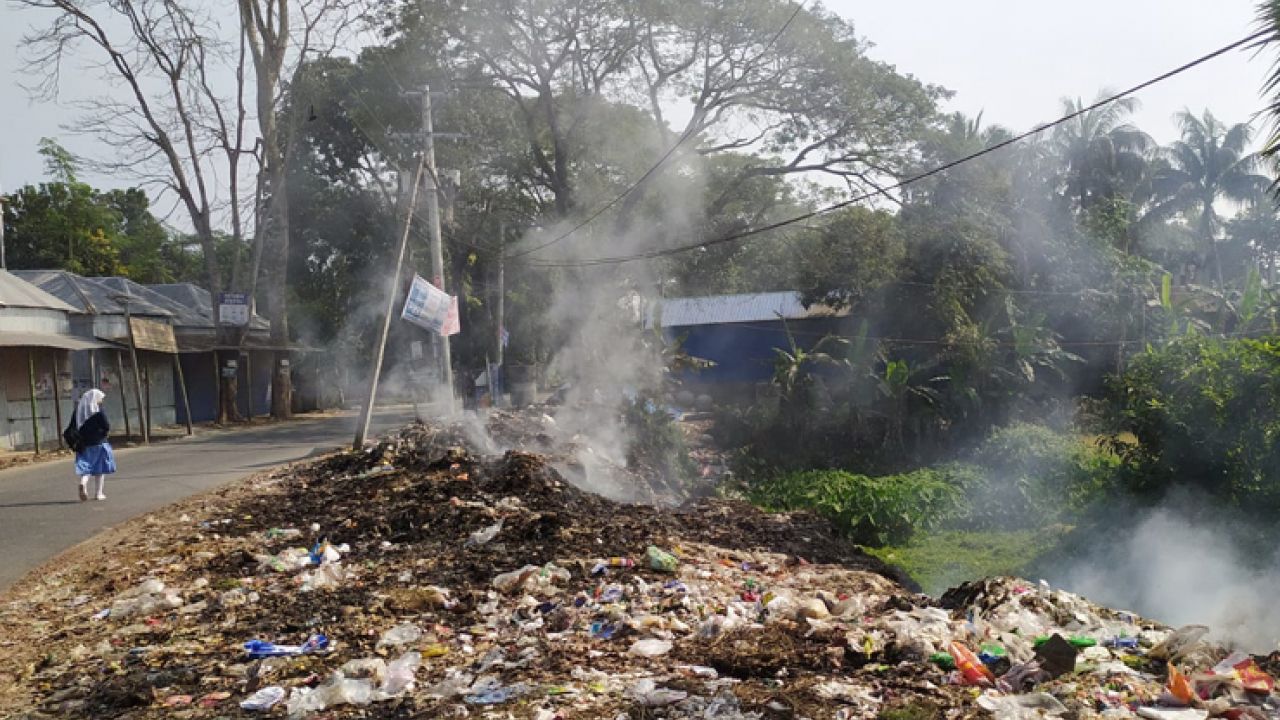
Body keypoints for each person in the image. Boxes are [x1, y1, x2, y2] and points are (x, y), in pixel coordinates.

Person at [70, 389, 116, 501]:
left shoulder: (79, 413)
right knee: (100, 469)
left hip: (85, 444)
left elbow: (75, 428)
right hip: (99, 443)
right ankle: (98, 493)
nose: (101, 400)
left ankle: (83, 483)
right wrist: (104, 433)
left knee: (87, 468)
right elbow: (107, 426)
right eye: (100, 398)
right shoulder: (99, 413)